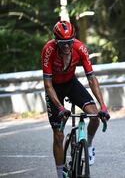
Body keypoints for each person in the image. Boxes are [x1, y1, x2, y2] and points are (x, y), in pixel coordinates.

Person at [41, 20, 110, 178]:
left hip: (71, 83)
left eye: (69, 42)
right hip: (54, 88)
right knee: (58, 134)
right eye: (63, 43)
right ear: (56, 42)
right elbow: (48, 85)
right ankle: (60, 173)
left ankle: (89, 145)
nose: (66, 47)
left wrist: (103, 106)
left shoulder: (80, 48)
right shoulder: (49, 50)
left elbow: (91, 78)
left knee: (95, 117)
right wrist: (60, 108)